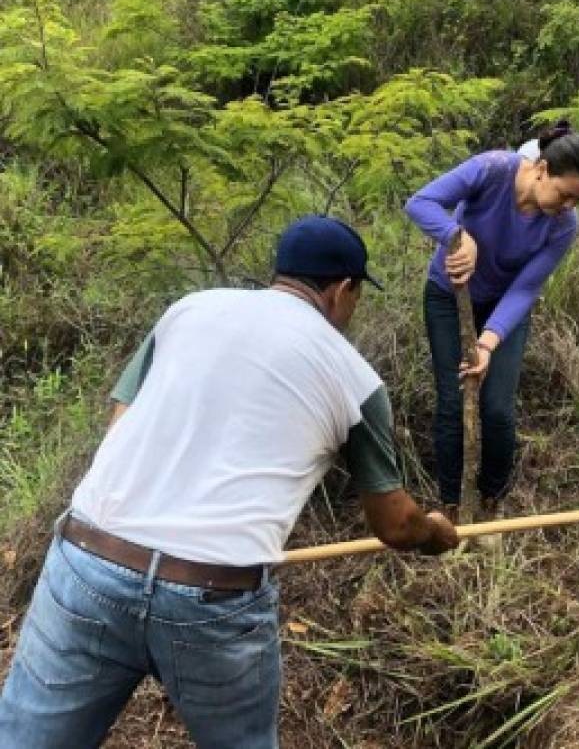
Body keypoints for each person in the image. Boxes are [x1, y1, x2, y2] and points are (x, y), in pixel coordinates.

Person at [0, 214, 459, 749]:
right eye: (356, 297)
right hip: (211, 595)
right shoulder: (355, 378)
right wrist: (436, 534)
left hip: (88, 561)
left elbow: (122, 418)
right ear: (342, 289)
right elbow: (396, 525)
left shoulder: (189, 310)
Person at [404, 123, 579, 522]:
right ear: (542, 169)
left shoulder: (564, 225)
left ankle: (491, 503)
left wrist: (487, 342)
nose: (568, 206)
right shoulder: (493, 169)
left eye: (577, 200)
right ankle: (452, 505)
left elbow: (525, 288)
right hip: (448, 296)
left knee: (497, 408)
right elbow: (420, 202)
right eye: (565, 195)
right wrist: (456, 234)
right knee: (452, 399)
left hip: (504, 307)